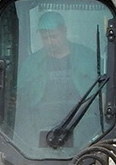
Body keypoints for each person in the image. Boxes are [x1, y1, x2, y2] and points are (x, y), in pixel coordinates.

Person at [16, 11, 102, 147]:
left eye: (54, 36)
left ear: (64, 31)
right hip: (42, 130)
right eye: (45, 38)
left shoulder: (89, 58)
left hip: (84, 127)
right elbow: (21, 99)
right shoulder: (31, 64)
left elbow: (104, 93)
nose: (50, 41)